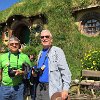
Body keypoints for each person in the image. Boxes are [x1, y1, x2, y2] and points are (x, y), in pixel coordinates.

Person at [33, 29, 71, 100]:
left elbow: (65, 72)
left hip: (51, 88)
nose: (44, 38)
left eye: (47, 36)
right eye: (42, 37)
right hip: (39, 87)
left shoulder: (57, 51)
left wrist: (65, 89)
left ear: (51, 39)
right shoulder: (40, 53)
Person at [0, 36, 31, 100]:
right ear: (8, 45)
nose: (14, 45)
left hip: (19, 88)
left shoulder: (24, 57)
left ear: (19, 45)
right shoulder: (2, 57)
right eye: (12, 44)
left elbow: (29, 71)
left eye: (16, 43)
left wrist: (21, 72)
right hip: (4, 88)